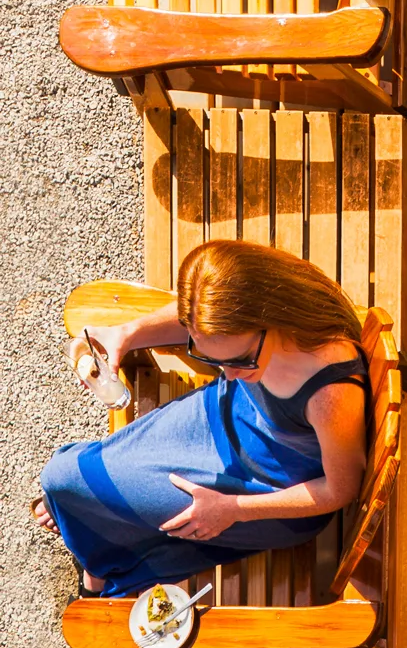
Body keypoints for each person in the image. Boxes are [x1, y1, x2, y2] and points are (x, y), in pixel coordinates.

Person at [35, 242, 371, 597]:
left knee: (62, 477)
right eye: (211, 355)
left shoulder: (330, 390)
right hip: (217, 416)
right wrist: (127, 334)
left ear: (271, 316)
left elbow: (341, 489)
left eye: (240, 359)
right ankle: (83, 527)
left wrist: (232, 510)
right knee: (74, 480)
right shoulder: (252, 329)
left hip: (263, 487)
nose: (228, 373)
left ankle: (91, 551)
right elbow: (196, 322)